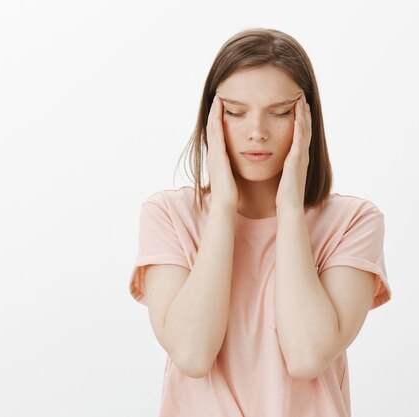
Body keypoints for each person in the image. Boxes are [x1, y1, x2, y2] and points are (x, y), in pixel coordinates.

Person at [127, 27, 392, 417]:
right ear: (210, 119)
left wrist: (289, 208)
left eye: (281, 113)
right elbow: (192, 354)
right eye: (234, 113)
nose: (256, 132)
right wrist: (222, 207)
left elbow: (306, 356)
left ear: (307, 119)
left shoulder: (352, 222)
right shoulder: (168, 215)